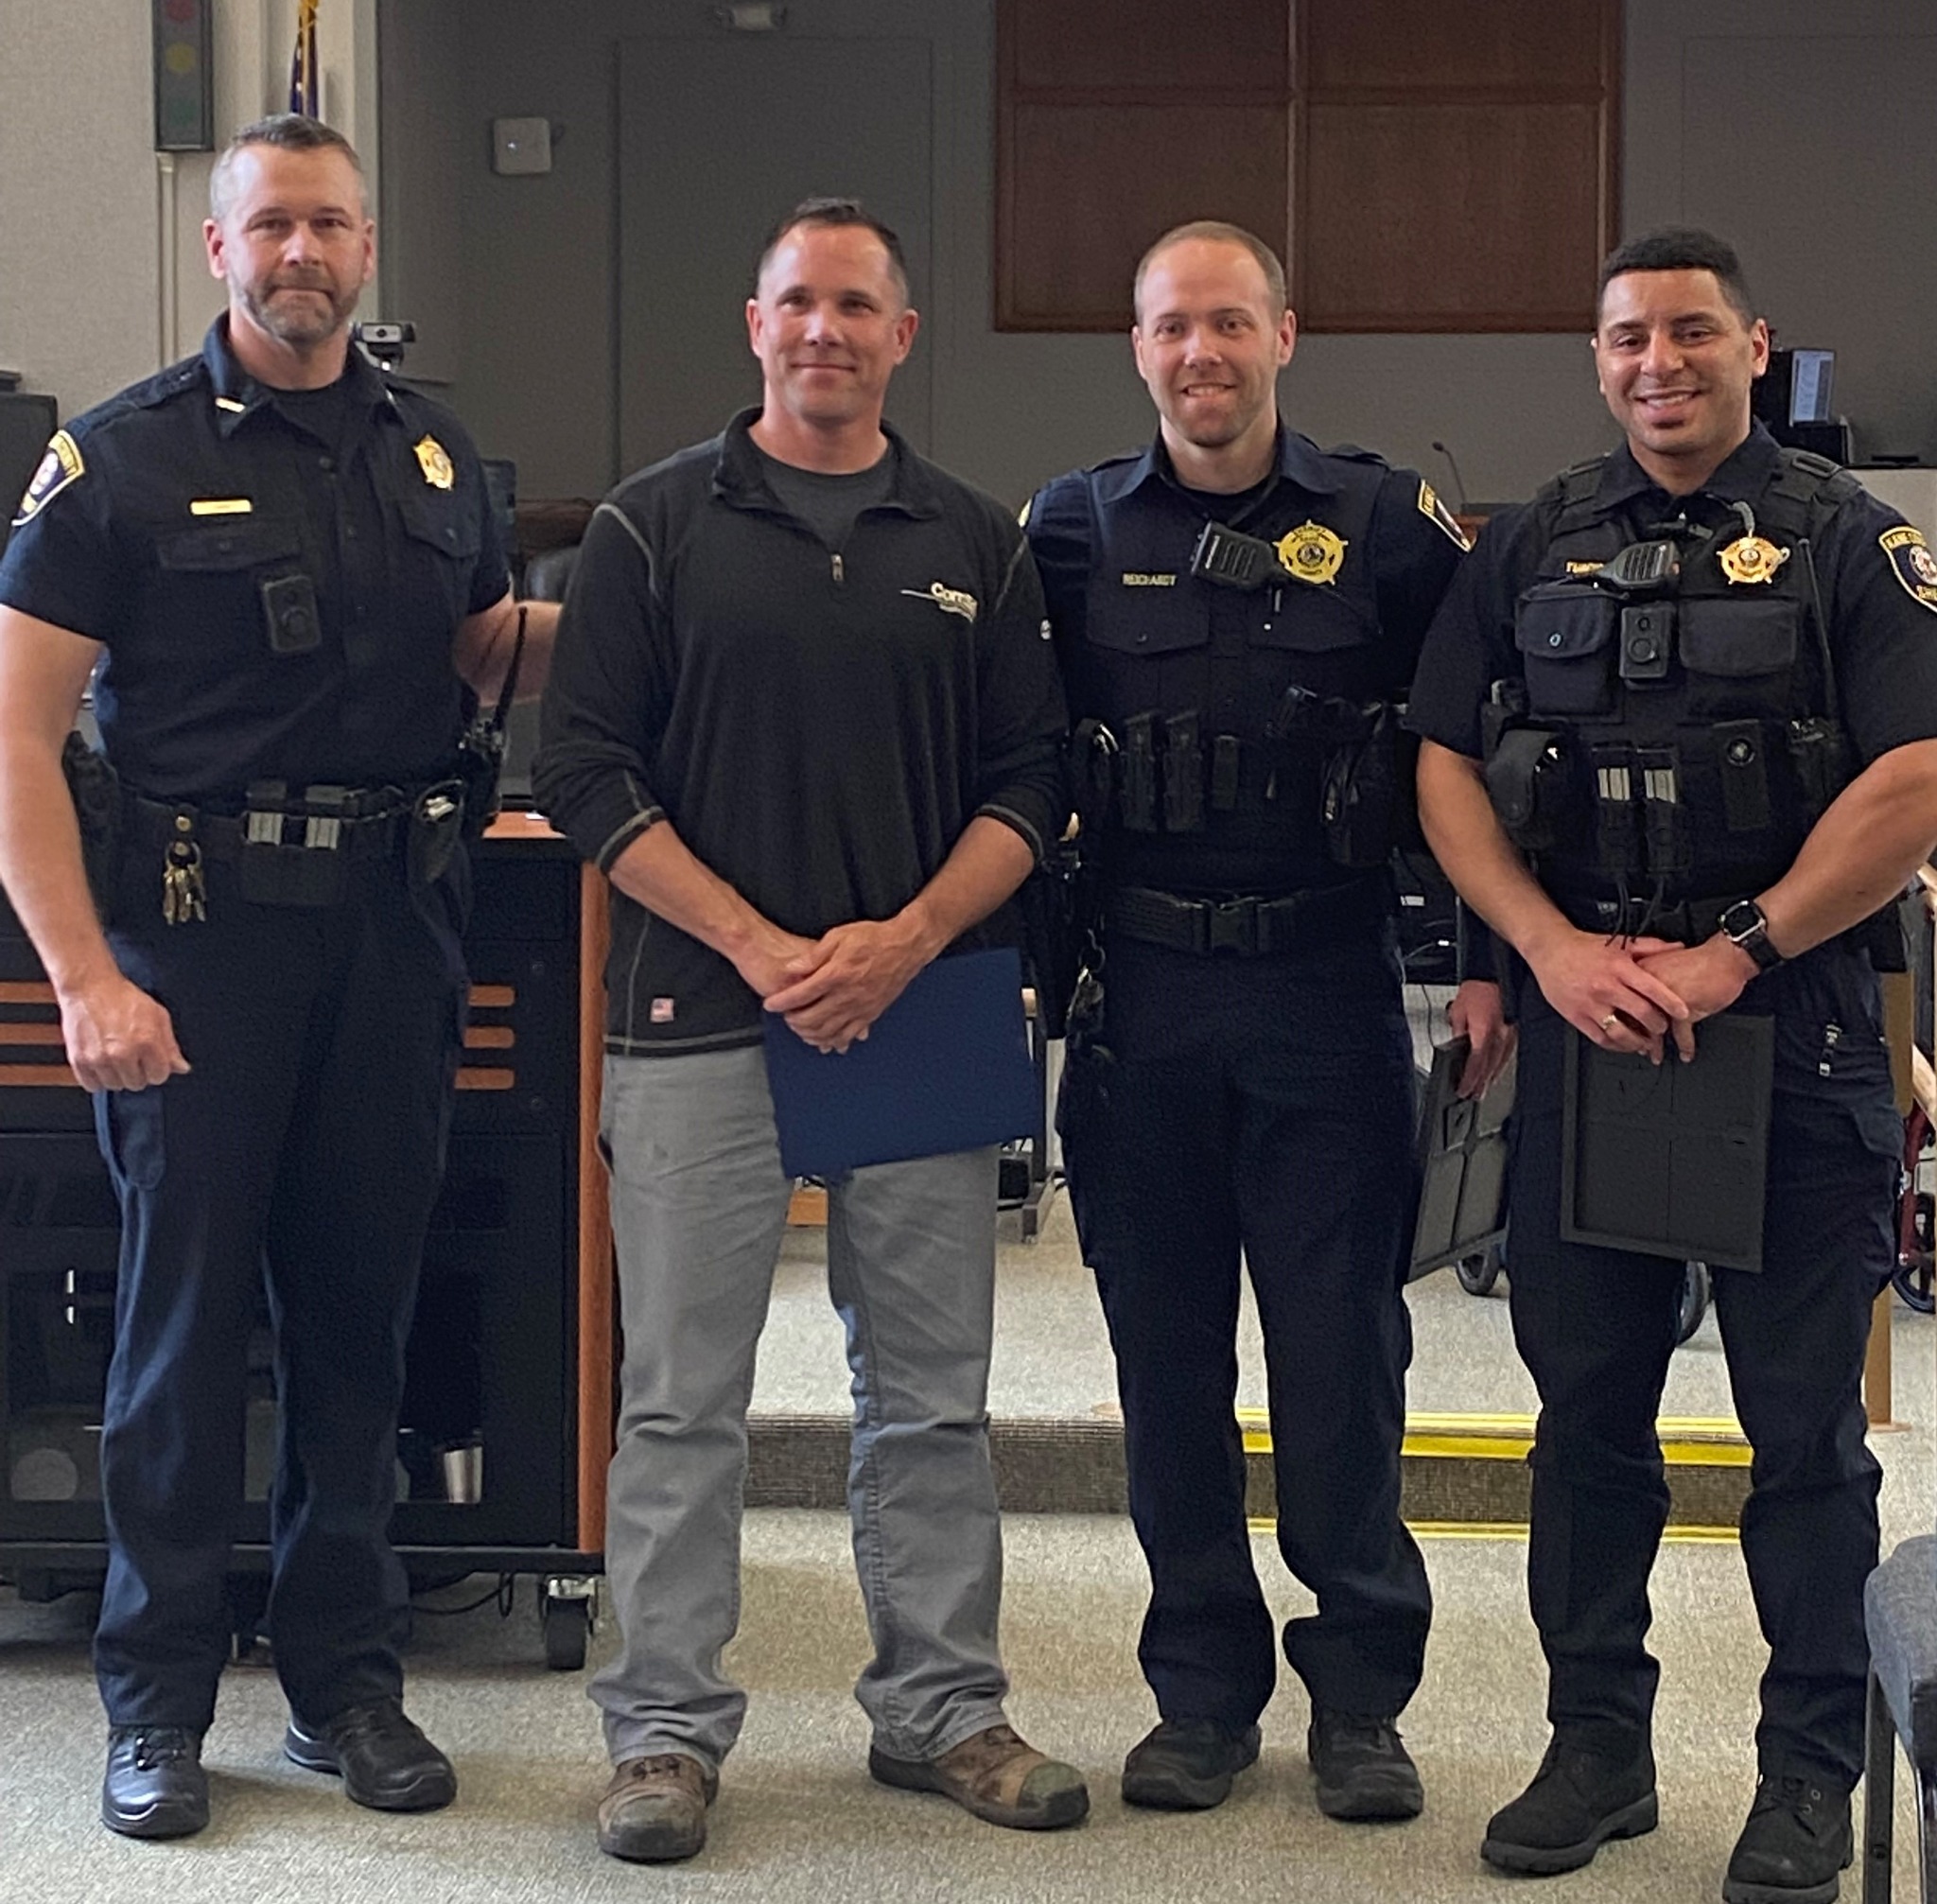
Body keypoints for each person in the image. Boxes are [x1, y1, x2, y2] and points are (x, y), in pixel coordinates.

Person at [0, 114, 556, 1840]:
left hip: (397, 937)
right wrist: (86, 974)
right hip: (199, 941)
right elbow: (16, 733)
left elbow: (474, 653)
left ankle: (346, 1684)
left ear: (365, 249)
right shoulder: (121, 461)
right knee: (176, 1334)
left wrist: (640, 597)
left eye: (329, 223)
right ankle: (156, 1704)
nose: (300, 251)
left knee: (357, 1324)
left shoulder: (442, 452)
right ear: (222, 249)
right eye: (269, 225)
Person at [532, 197, 1082, 1864]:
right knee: (682, 1400)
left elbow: (1034, 785)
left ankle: (941, 1710)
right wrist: (770, 947)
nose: (826, 329)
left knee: (928, 1395)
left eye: (858, 305)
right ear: (753, 326)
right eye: (797, 304)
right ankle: (663, 1735)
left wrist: (905, 941)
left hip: (919, 1017)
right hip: (699, 1015)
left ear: (903, 335)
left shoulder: (978, 539)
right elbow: (584, 776)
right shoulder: (647, 529)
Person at [1409, 226, 1937, 1902]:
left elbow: (1920, 771)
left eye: (1695, 334)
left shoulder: (1853, 537)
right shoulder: (1532, 543)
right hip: (1595, 1038)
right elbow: (1441, 766)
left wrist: (1744, 945)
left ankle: (1804, 1774)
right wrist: (1547, 951)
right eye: (1632, 336)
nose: (1663, 362)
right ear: (1598, 353)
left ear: (1754, 345)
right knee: (1587, 1423)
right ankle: (1596, 1748)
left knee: (1801, 1437)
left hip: (1792, 1035)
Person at [1024, 221, 1508, 1823]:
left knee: (1339, 1361)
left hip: (1323, 990)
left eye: (1232, 323)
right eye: (1175, 326)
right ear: (1139, 345)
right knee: (1164, 1364)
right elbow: (1007, 759)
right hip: (1138, 1000)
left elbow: (1475, 740)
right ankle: (1202, 1693)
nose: (1203, 354)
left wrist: (1497, 951)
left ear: (1285, 335)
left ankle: (1361, 1696)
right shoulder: (1071, 531)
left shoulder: (1387, 526)